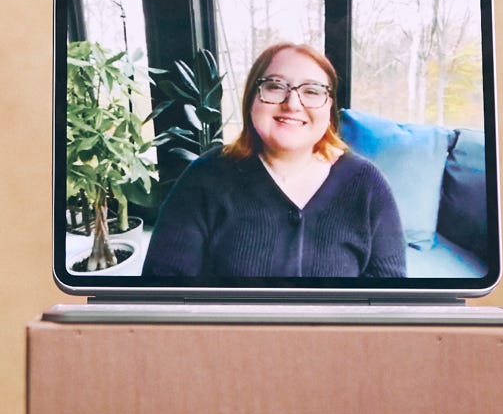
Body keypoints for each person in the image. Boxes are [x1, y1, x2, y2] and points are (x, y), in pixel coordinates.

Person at [140, 41, 407, 283]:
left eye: (312, 91)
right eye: (275, 87)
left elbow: (389, 304)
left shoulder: (367, 184)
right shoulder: (204, 177)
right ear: (251, 99)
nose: (292, 104)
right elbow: (163, 292)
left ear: (329, 107)